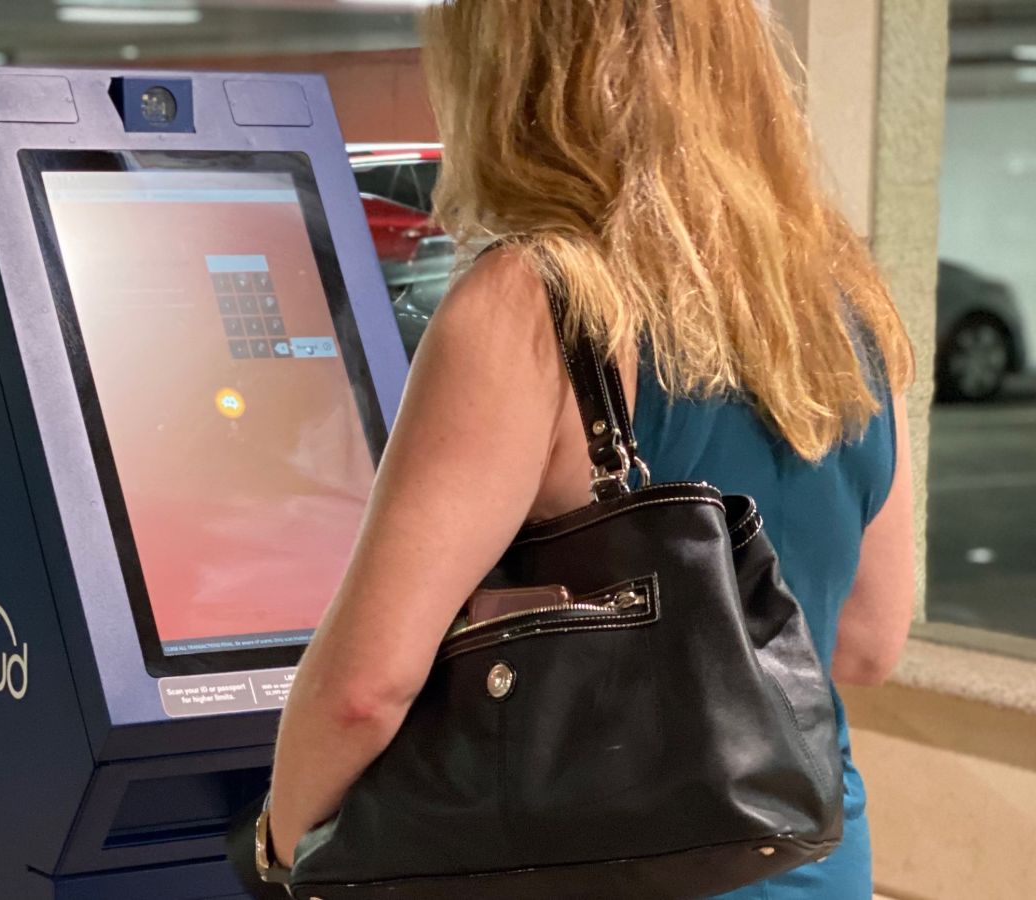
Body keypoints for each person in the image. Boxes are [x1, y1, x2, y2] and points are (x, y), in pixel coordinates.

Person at [260, 1, 917, 897]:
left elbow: (363, 692)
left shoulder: (530, 303)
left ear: (510, 66)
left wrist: (281, 849)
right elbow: (866, 645)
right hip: (811, 862)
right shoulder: (844, 307)